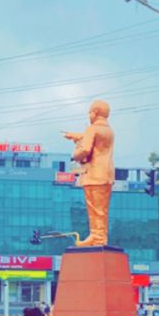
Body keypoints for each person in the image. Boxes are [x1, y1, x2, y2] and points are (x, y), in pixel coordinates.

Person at [64, 99, 115, 247]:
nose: (89, 115)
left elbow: (86, 150)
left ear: (95, 112)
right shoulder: (108, 130)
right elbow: (96, 141)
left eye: (90, 112)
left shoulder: (92, 129)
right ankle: (100, 236)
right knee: (102, 210)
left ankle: (97, 237)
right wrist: (78, 136)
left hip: (94, 174)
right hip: (106, 174)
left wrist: (75, 154)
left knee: (94, 208)